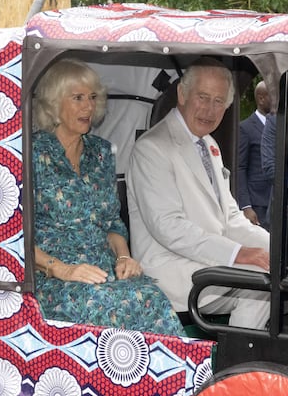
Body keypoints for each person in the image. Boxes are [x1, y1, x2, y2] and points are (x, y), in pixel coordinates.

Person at [32, 58, 184, 336]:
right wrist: (63, 270)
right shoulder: (30, 154)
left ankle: (169, 379)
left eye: (92, 97)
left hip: (103, 270)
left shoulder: (101, 153)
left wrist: (124, 257)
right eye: (77, 98)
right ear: (53, 104)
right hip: (52, 276)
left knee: (152, 297)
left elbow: (112, 222)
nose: (88, 107)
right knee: (102, 306)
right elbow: (14, 236)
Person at [127, 57, 271, 329]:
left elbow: (230, 217)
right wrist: (237, 254)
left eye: (219, 101)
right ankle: (236, 364)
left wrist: (275, 247)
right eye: (203, 97)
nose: (210, 109)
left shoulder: (208, 144)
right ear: (182, 94)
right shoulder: (152, 148)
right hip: (174, 274)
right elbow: (169, 228)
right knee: (261, 285)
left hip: (208, 265)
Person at [237, 81, 272, 229]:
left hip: (279, 200)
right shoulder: (245, 128)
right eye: (274, 96)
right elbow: (240, 167)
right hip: (258, 203)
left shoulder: (282, 126)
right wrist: (245, 206)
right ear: (261, 98)